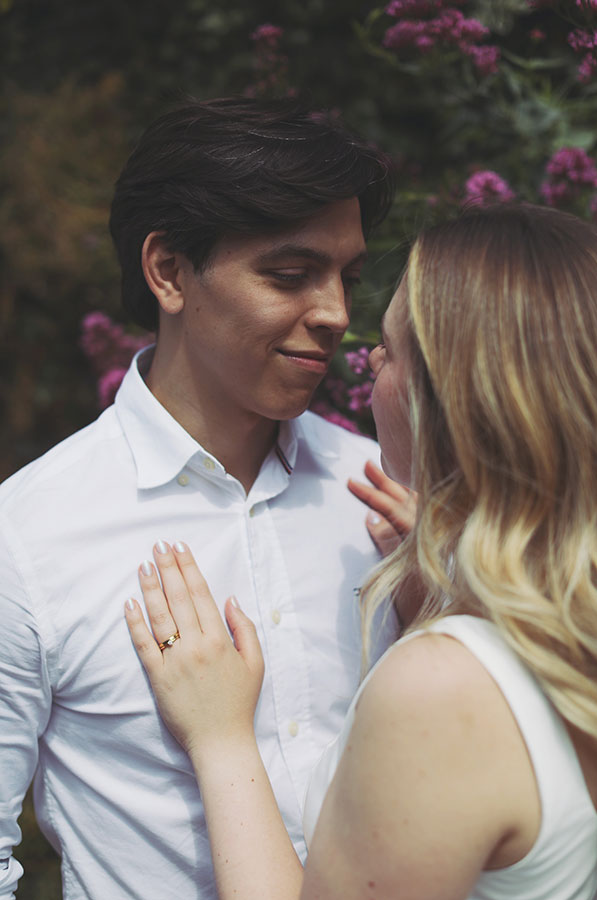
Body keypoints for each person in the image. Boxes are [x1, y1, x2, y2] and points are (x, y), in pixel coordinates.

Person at [126, 203, 597, 900]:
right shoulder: (562, 627)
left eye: (391, 350)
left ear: (452, 403)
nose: (360, 353)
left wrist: (222, 737)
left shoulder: (440, 690)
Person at [0, 97, 409, 900]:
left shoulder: (392, 501)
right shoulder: (26, 539)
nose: (334, 314)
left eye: (349, 279)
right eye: (289, 275)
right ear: (168, 271)